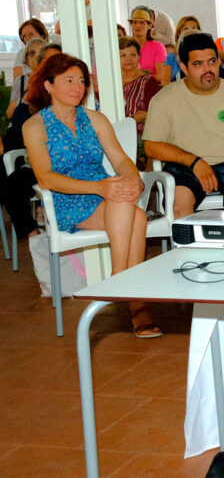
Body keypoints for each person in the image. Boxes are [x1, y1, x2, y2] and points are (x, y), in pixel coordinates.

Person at [23, 53, 159, 338]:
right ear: (48, 85)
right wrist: (102, 188)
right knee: (130, 210)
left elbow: (121, 159)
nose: (77, 87)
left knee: (131, 209)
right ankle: (135, 302)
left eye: (82, 81)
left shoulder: (95, 119)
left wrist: (134, 181)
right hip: (67, 197)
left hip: (106, 193)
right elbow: (45, 177)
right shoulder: (34, 126)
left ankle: (118, 281)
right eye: (68, 80)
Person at [143, 33, 224, 218]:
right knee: (179, 204)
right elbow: (151, 146)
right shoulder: (164, 99)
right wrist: (194, 161)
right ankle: (190, 247)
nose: (208, 69)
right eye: (198, 64)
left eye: (212, 61)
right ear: (184, 68)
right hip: (185, 165)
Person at [119, 36, 162, 147]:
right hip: (113, 129)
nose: (128, 59)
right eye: (123, 55)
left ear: (139, 56)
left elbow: (152, 112)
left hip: (138, 131)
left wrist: (130, 121)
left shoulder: (148, 81)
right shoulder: (112, 82)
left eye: (133, 55)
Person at [7, 38, 45, 120]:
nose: (36, 57)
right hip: (21, 126)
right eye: (32, 54)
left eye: (41, 53)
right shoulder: (20, 81)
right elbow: (9, 114)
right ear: (26, 58)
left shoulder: (54, 79)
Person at [128, 9, 168, 84]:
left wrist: (141, 84)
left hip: (151, 88)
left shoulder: (158, 46)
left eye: (142, 23)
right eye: (135, 22)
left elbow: (161, 75)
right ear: (131, 25)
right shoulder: (125, 46)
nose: (138, 26)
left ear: (149, 26)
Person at [165, 16, 202, 81]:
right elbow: (165, 81)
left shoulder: (208, 53)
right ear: (179, 33)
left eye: (194, 28)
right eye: (186, 29)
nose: (190, 32)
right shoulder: (171, 57)